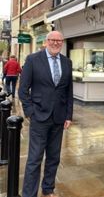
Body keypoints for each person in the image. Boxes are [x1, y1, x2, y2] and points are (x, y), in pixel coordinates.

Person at [18, 31, 73, 197]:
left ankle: (48, 189)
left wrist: (68, 115)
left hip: (59, 118)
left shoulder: (67, 62)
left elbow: (68, 91)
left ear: (62, 42)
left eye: (59, 40)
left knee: (54, 157)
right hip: (39, 117)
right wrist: (30, 112)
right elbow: (23, 90)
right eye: (52, 40)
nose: (56, 43)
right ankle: (29, 193)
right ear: (46, 41)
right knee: (34, 159)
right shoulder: (33, 60)